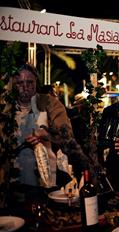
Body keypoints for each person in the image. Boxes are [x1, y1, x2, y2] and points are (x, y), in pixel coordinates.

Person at [0, 62, 88, 208]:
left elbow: (67, 136)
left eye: (30, 82)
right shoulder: (5, 107)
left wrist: (46, 134)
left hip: (43, 181)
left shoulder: (49, 103)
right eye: (20, 83)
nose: (25, 87)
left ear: (37, 82)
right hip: (10, 182)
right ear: (12, 84)